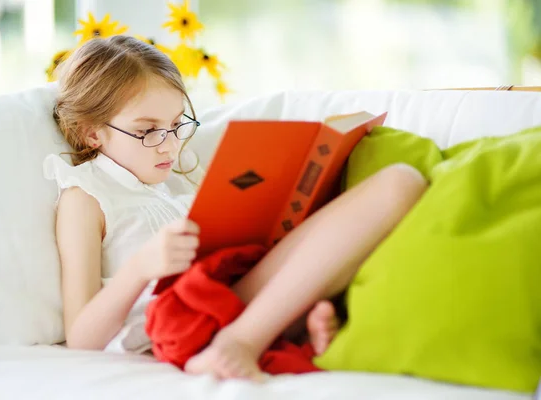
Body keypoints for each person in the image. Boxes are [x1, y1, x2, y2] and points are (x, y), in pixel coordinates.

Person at [44, 35, 427, 382]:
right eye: (148, 131)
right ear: (92, 132)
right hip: (180, 319)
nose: (169, 145)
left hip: (230, 292)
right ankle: (244, 341)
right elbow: (81, 337)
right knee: (395, 187)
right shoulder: (85, 196)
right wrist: (143, 266)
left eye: (177, 124)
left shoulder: (175, 182)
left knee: (400, 181)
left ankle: (284, 330)